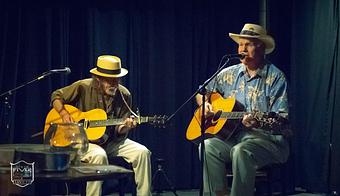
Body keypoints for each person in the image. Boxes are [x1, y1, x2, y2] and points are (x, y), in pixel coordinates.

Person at [196, 23, 290, 196]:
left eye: (248, 44)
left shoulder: (275, 77)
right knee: (207, 146)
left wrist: (257, 122)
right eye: (240, 44)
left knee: (241, 151)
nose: (242, 49)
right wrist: (205, 104)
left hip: (269, 142)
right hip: (235, 138)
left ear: (261, 47)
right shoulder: (229, 73)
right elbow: (201, 92)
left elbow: (282, 121)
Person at [51, 55, 152, 196]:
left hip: (109, 141)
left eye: (116, 79)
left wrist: (126, 127)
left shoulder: (124, 95)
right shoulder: (83, 86)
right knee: (99, 155)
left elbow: (119, 130)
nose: (114, 84)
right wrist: (63, 113)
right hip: (83, 141)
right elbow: (56, 96)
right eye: (109, 80)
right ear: (98, 79)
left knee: (142, 152)